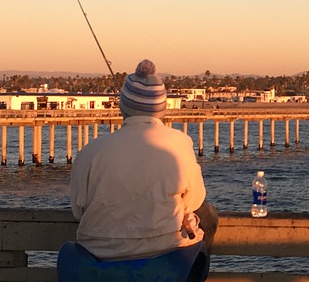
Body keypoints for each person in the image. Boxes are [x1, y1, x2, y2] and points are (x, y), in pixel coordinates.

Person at [70, 59, 219, 260]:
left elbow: (78, 211)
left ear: (123, 107)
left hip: (97, 256)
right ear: (162, 108)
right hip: (165, 253)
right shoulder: (179, 143)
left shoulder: (91, 150)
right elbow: (194, 199)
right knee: (207, 213)